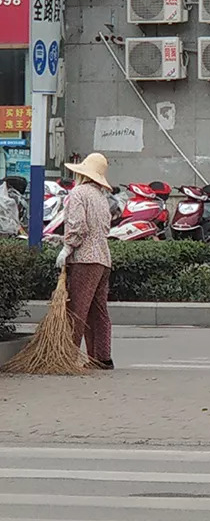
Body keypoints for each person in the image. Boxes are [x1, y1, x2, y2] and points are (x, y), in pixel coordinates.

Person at [56, 153, 115, 370]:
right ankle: (102, 357)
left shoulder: (78, 193)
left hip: (85, 260)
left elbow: (78, 226)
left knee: (77, 310)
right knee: (98, 310)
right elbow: (105, 228)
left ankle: (67, 357)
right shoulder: (101, 197)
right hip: (103, 259)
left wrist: (67, 247)